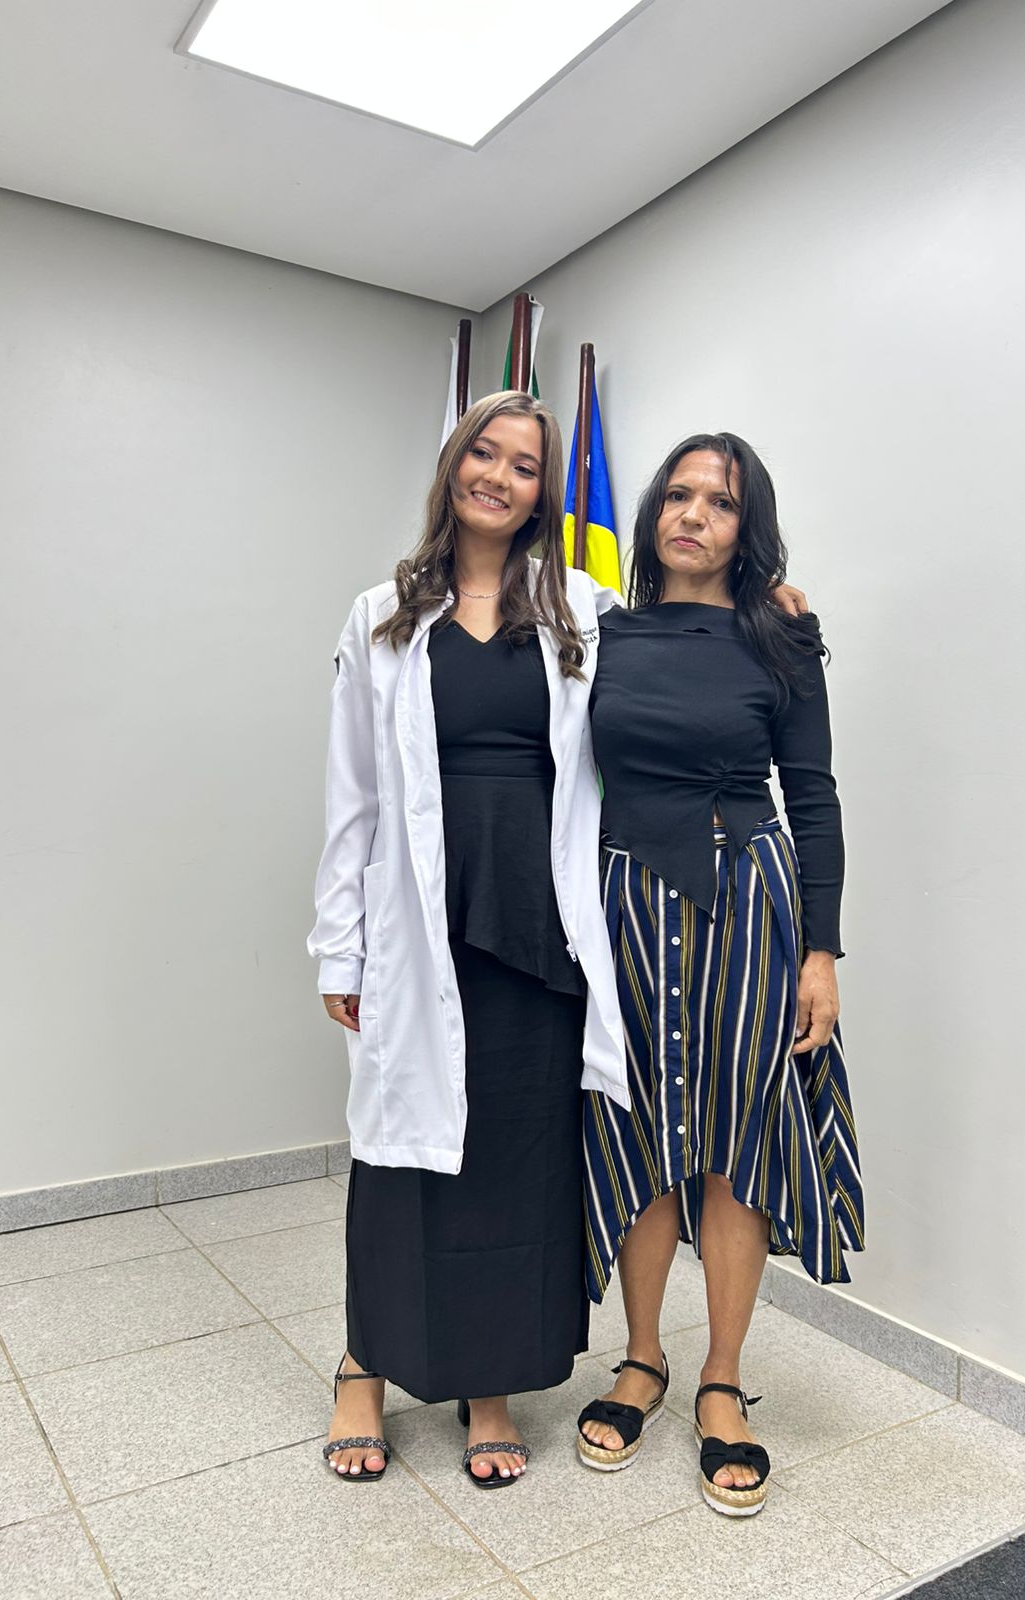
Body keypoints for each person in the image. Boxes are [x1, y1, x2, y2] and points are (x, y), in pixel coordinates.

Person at [307, 390, 630, 1488]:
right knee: (399, 1158)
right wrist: (340, 947)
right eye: (483, 453)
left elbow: (683, 665)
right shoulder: (382, 615)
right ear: (453, 466)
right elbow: (354, 798)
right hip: (418, 923)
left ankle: (487, 1383)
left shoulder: (583, 609)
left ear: (544, 494)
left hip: (538, 928)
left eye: (525, 465)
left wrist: (770, 611)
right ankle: (365, 1364)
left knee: (516, 1156)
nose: (500, 475)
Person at [576, 432, 864, 1518]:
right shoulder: (597, 636)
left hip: (749, 900)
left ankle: (722, 1378)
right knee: (640, 1131)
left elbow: (814, 796)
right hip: (622, 902)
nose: (695, 514)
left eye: (723, 502)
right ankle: (641, 1358)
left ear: (749, 530)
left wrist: (821, 953)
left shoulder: (780, 638)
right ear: (653, 511)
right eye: (680, 495)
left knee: (739, 1141)